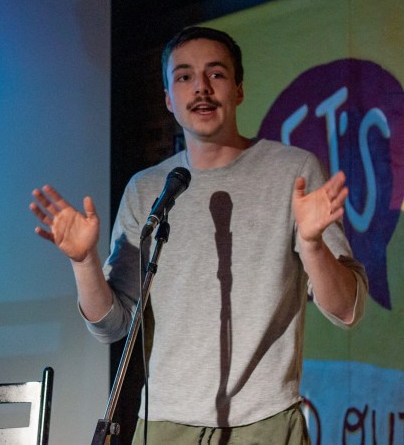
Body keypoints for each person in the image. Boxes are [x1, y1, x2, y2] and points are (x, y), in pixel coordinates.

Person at [30, 27, 367, 444]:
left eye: (216, 74)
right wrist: (84, 262)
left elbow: (347, 309)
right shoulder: (147, 189)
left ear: (239, 89)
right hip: (165, 424)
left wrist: (312, 246)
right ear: (169, 99)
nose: (201, 88)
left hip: (265, 423)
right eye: (185, 76)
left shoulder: (294, 172)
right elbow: (113, 326)